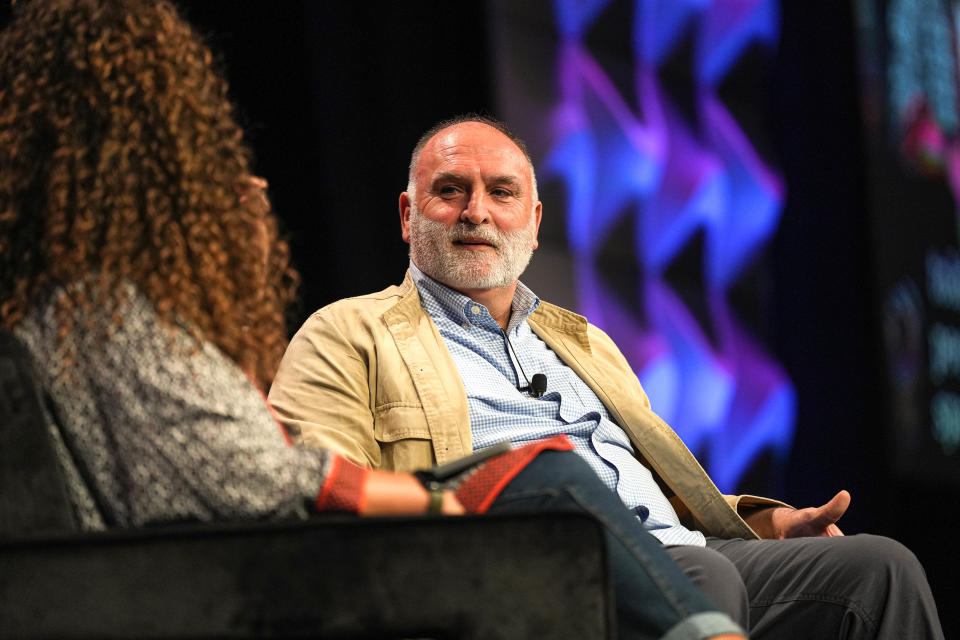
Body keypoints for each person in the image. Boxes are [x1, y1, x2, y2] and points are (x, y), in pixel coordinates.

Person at [0, 2, 748, 638]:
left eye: (502, 192)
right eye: (201, 147)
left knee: (862, 564)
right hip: (278, 577)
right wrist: (437, 499)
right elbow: (250, 476)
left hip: (253, 560)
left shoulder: (78, 312)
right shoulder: (102, 317)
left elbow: (216, 453)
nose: (235, 177)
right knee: (548, 475)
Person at [268, 114, 945, 639]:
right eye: (450, 192)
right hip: (525, 572)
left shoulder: (582, 340)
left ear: (532, 225)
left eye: (501, 193)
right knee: (699, 578)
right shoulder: (347, 332)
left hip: (683, 552)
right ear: (409, 215)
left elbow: (658, 496)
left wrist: (770, 527)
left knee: (878, 570)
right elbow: (319, 494)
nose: (476, 210)